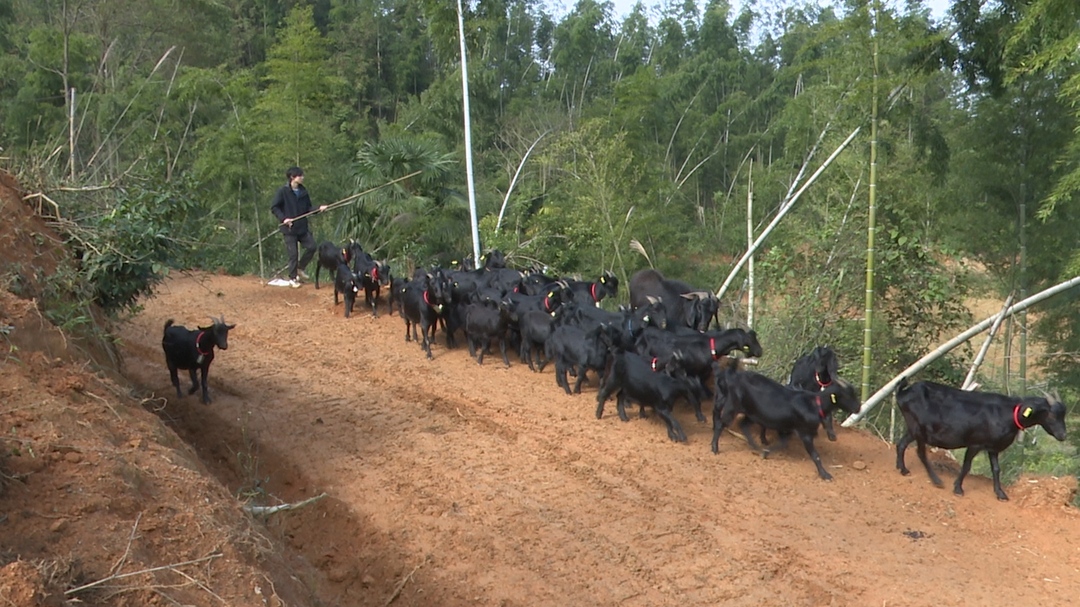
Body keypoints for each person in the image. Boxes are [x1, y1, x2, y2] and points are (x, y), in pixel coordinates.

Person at [270, 166, 327, 288]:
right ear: (292, 177)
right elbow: (275, 207)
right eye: (300, 175)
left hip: (302, 227)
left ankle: (300, 268)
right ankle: (292, 278)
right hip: (289, 229)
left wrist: (319, 209)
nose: (302, 177)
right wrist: (284, 219)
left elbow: (308, 209)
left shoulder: (303, 191)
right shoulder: (283, 191)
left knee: (312, 246)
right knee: (293, 254)